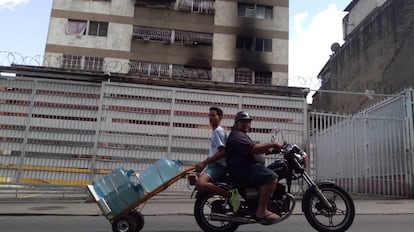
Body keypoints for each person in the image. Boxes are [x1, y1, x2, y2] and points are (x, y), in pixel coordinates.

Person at [226, 111, 283, 224]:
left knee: (270, 172)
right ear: (236, 123)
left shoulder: (242, 135)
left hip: (247, 168)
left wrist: (270, 150)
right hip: (243, 170)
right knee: (271, 178)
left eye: (248, 122)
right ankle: (261, 211)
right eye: (243, 122)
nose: (246, 124)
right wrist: (272, 144)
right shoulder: (237, 136)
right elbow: (253, 149)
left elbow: (252, 150)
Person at [195, 107, 240, 212]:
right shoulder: (216, 131)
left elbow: (222, 152)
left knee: (200, 183)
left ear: (220, 118)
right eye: (209, 115)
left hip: (218, 166)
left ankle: (229, 195)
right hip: (214, 165)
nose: (210, 118)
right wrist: (202, 164)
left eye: (213, 115)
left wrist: (205, 163)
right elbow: (215, 153)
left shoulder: (218, 132)